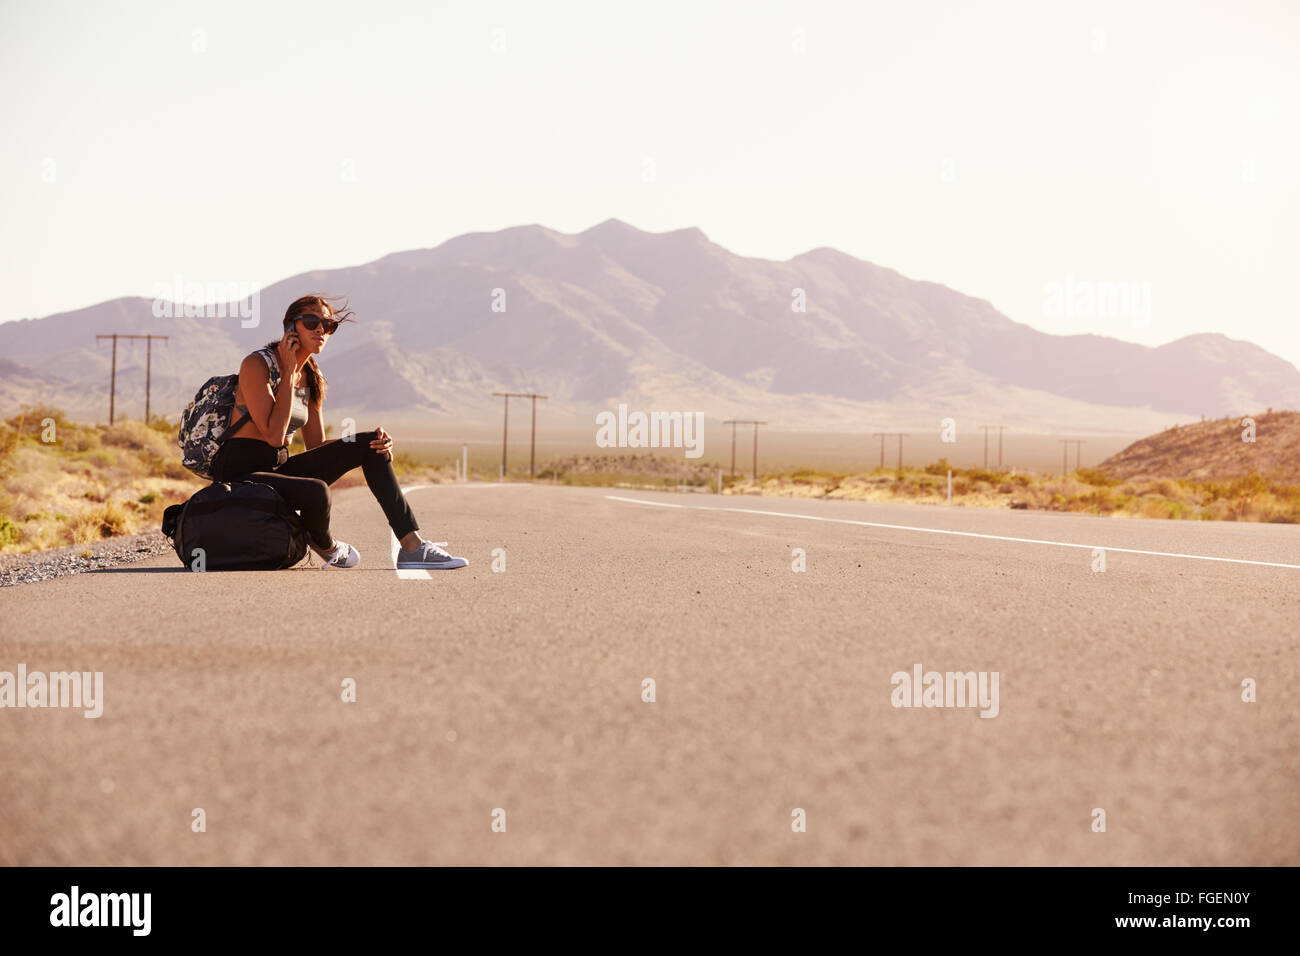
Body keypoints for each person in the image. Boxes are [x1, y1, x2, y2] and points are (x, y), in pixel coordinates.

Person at [210, 293, 468, 570]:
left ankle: (412, 547)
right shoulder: (257, 365)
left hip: (278, 468)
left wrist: (367, 444)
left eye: (328, 325)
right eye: (311, 321)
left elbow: (316, 444)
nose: (321, 329)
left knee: (370, 443)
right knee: (316, 492)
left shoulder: (311, 375)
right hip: (241, 475)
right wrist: (287, 373)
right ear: (290, 327)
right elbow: (274, 436)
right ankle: (325, 545)